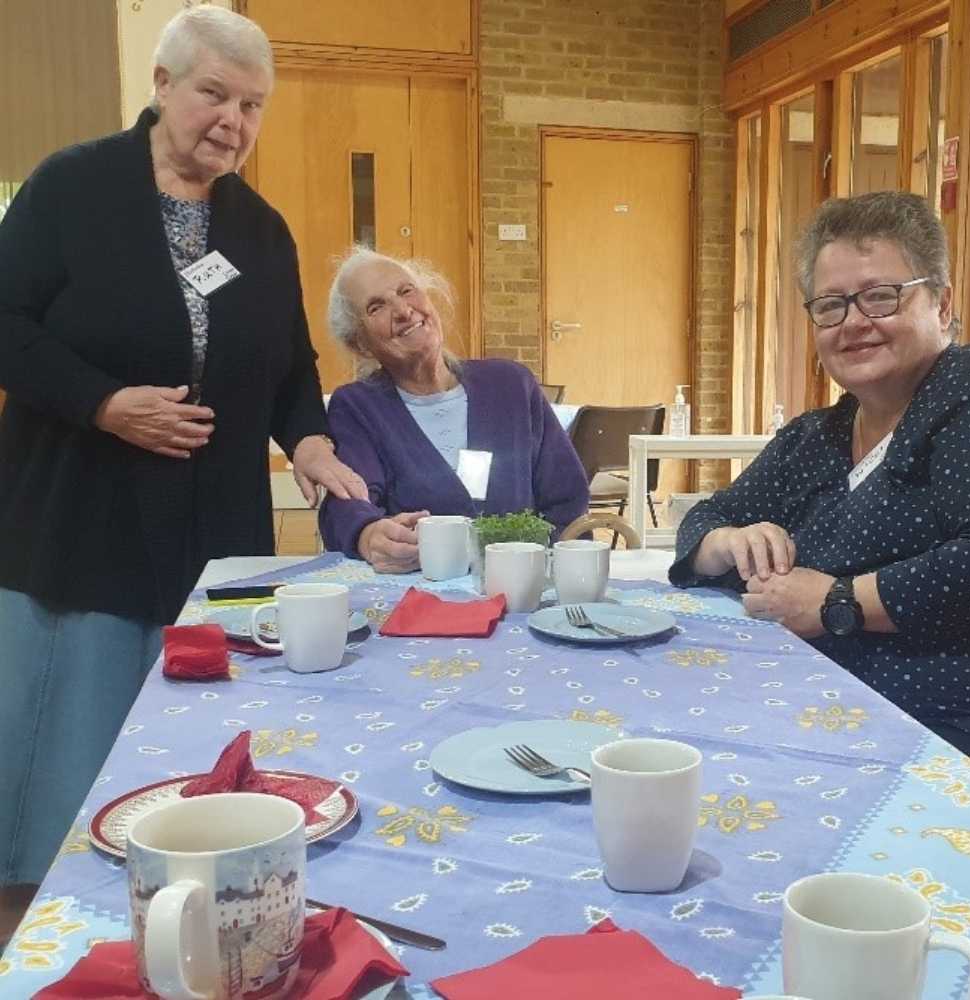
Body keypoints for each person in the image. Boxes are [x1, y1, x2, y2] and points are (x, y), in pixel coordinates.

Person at [0, 6, 366, 884]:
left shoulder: (258, 227)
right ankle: (53, 891)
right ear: (161, 86)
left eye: (253, 105)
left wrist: (309, 442)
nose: (234, 122)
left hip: (213, 523)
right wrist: (103, 403)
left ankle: (193, 875)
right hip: (83, 514)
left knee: (194, 718)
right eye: (215, 95)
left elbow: (290, 364)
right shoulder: (72, 187)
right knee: (74, 719)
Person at [669, 191, 970, 774]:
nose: (853, 323)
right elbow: (707, 518)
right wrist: (726, 541)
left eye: (879, 297)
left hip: (942, 727)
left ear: (942, 304)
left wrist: (834, 603)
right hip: (811, 700)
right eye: (830, 306)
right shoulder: (818, 434)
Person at [319, 246, 589, 572]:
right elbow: (347, 503)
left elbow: (567, 499)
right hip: (420, 595)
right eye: (377, 307)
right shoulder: (358, 406)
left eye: (407, 291)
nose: (404, 310)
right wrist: (368, 534)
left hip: (523, 590)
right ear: (359, 343)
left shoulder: (511, 385)